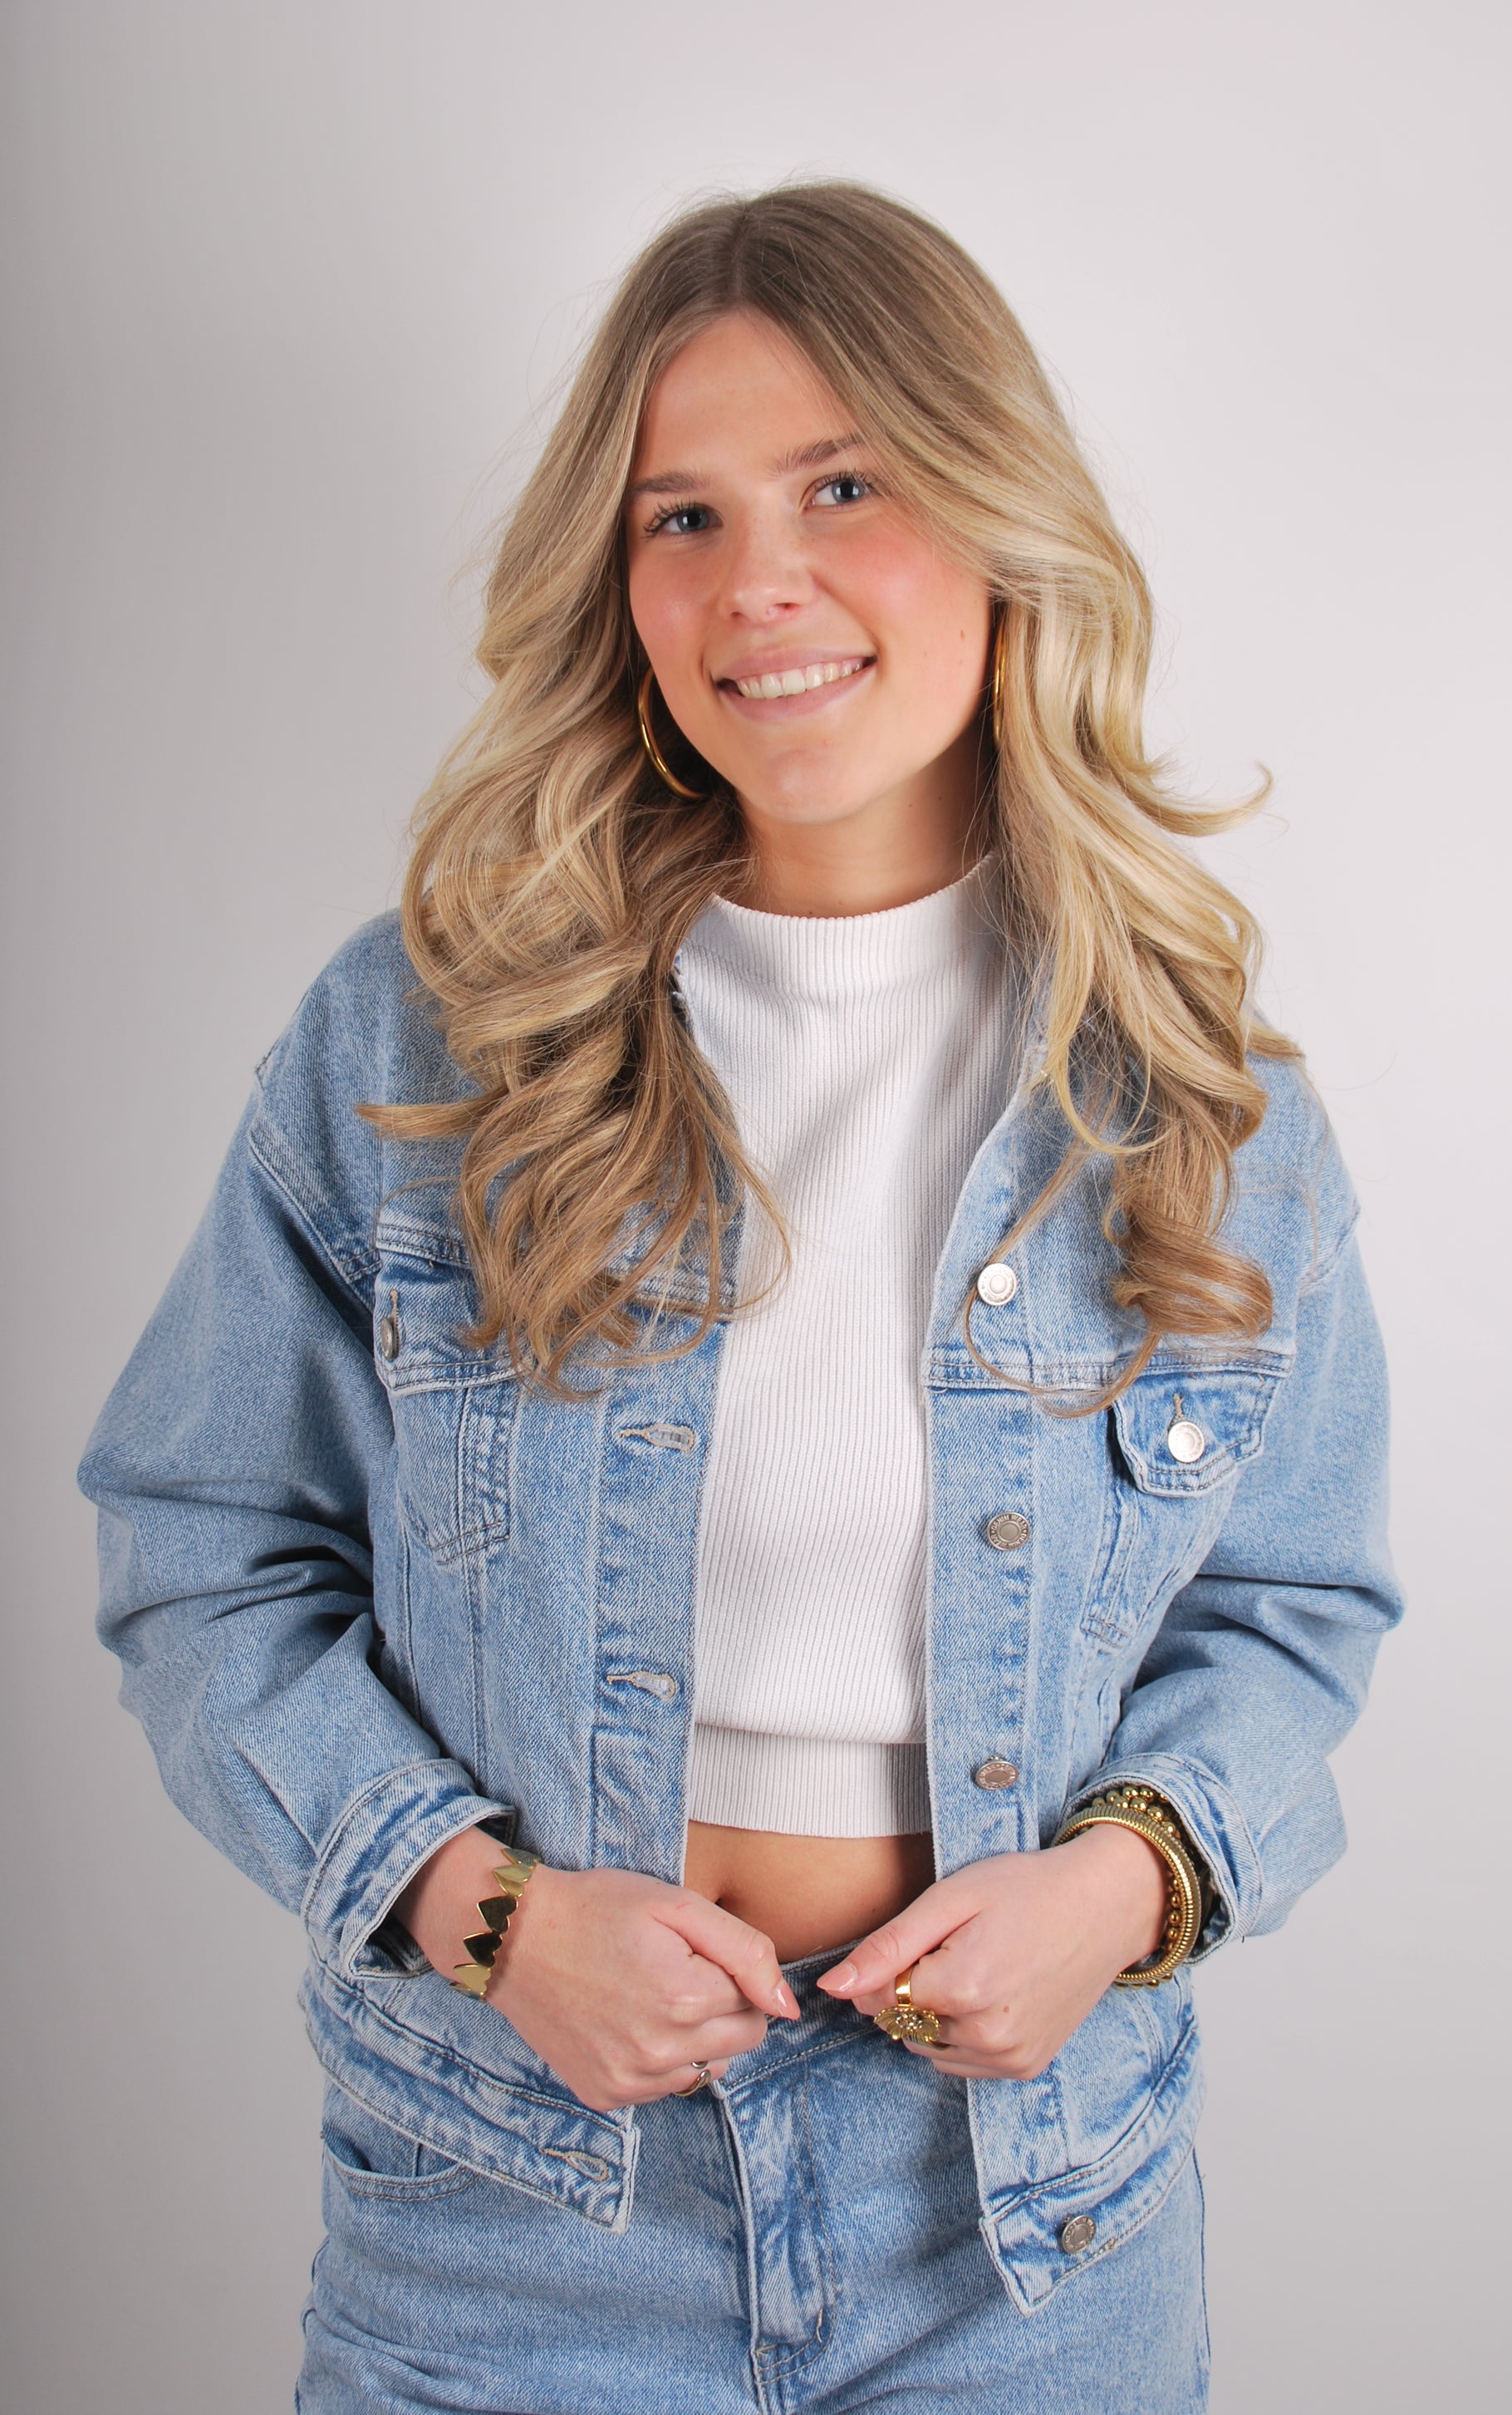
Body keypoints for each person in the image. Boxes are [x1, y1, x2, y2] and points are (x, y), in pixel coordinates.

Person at [81, 181, 1401, 2414]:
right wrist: (489, 1917)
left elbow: (1292, 1612)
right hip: (514, 2207)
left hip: (1028, 2229)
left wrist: (1120, 1892)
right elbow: (202, 1552)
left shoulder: (1198, 1105)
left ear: (997, 517)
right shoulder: (422, 1046)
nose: (755, 581)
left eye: (843, 487)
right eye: (679, 517)